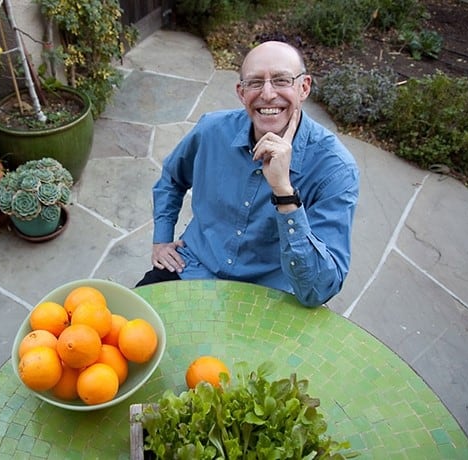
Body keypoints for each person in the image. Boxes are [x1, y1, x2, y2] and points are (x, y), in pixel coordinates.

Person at [136, 41, 359, 307]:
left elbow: (317, 290)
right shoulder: (212, 131)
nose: (267, 94)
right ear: (241, 92)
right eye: (255, 82)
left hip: (269, 298)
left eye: (281, 80)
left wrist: (284, 194)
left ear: (304, 87)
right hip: (192, 269)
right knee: (123, 332)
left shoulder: (334, 169)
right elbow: (172, 179)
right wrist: (161, 239)